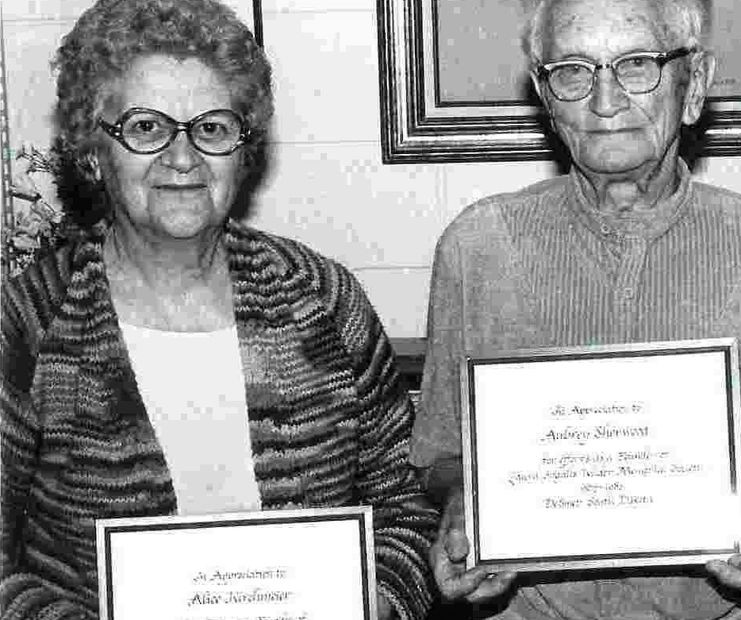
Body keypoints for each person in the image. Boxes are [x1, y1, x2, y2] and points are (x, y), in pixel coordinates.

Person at [409, 0, 741, 617]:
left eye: (636, 65)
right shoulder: (476, 248)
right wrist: (465, 502)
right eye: (573, 70)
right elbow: (439, 454)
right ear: (546, 98)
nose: (604, 101)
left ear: (694, 84)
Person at [0, 1, 437, 618]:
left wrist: (379, 600)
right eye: (147, 128)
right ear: (93, 152)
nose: (184, 158)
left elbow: (405, 510)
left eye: (211, 128)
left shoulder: (323, 299)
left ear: (243, 149)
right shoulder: (27, 324)